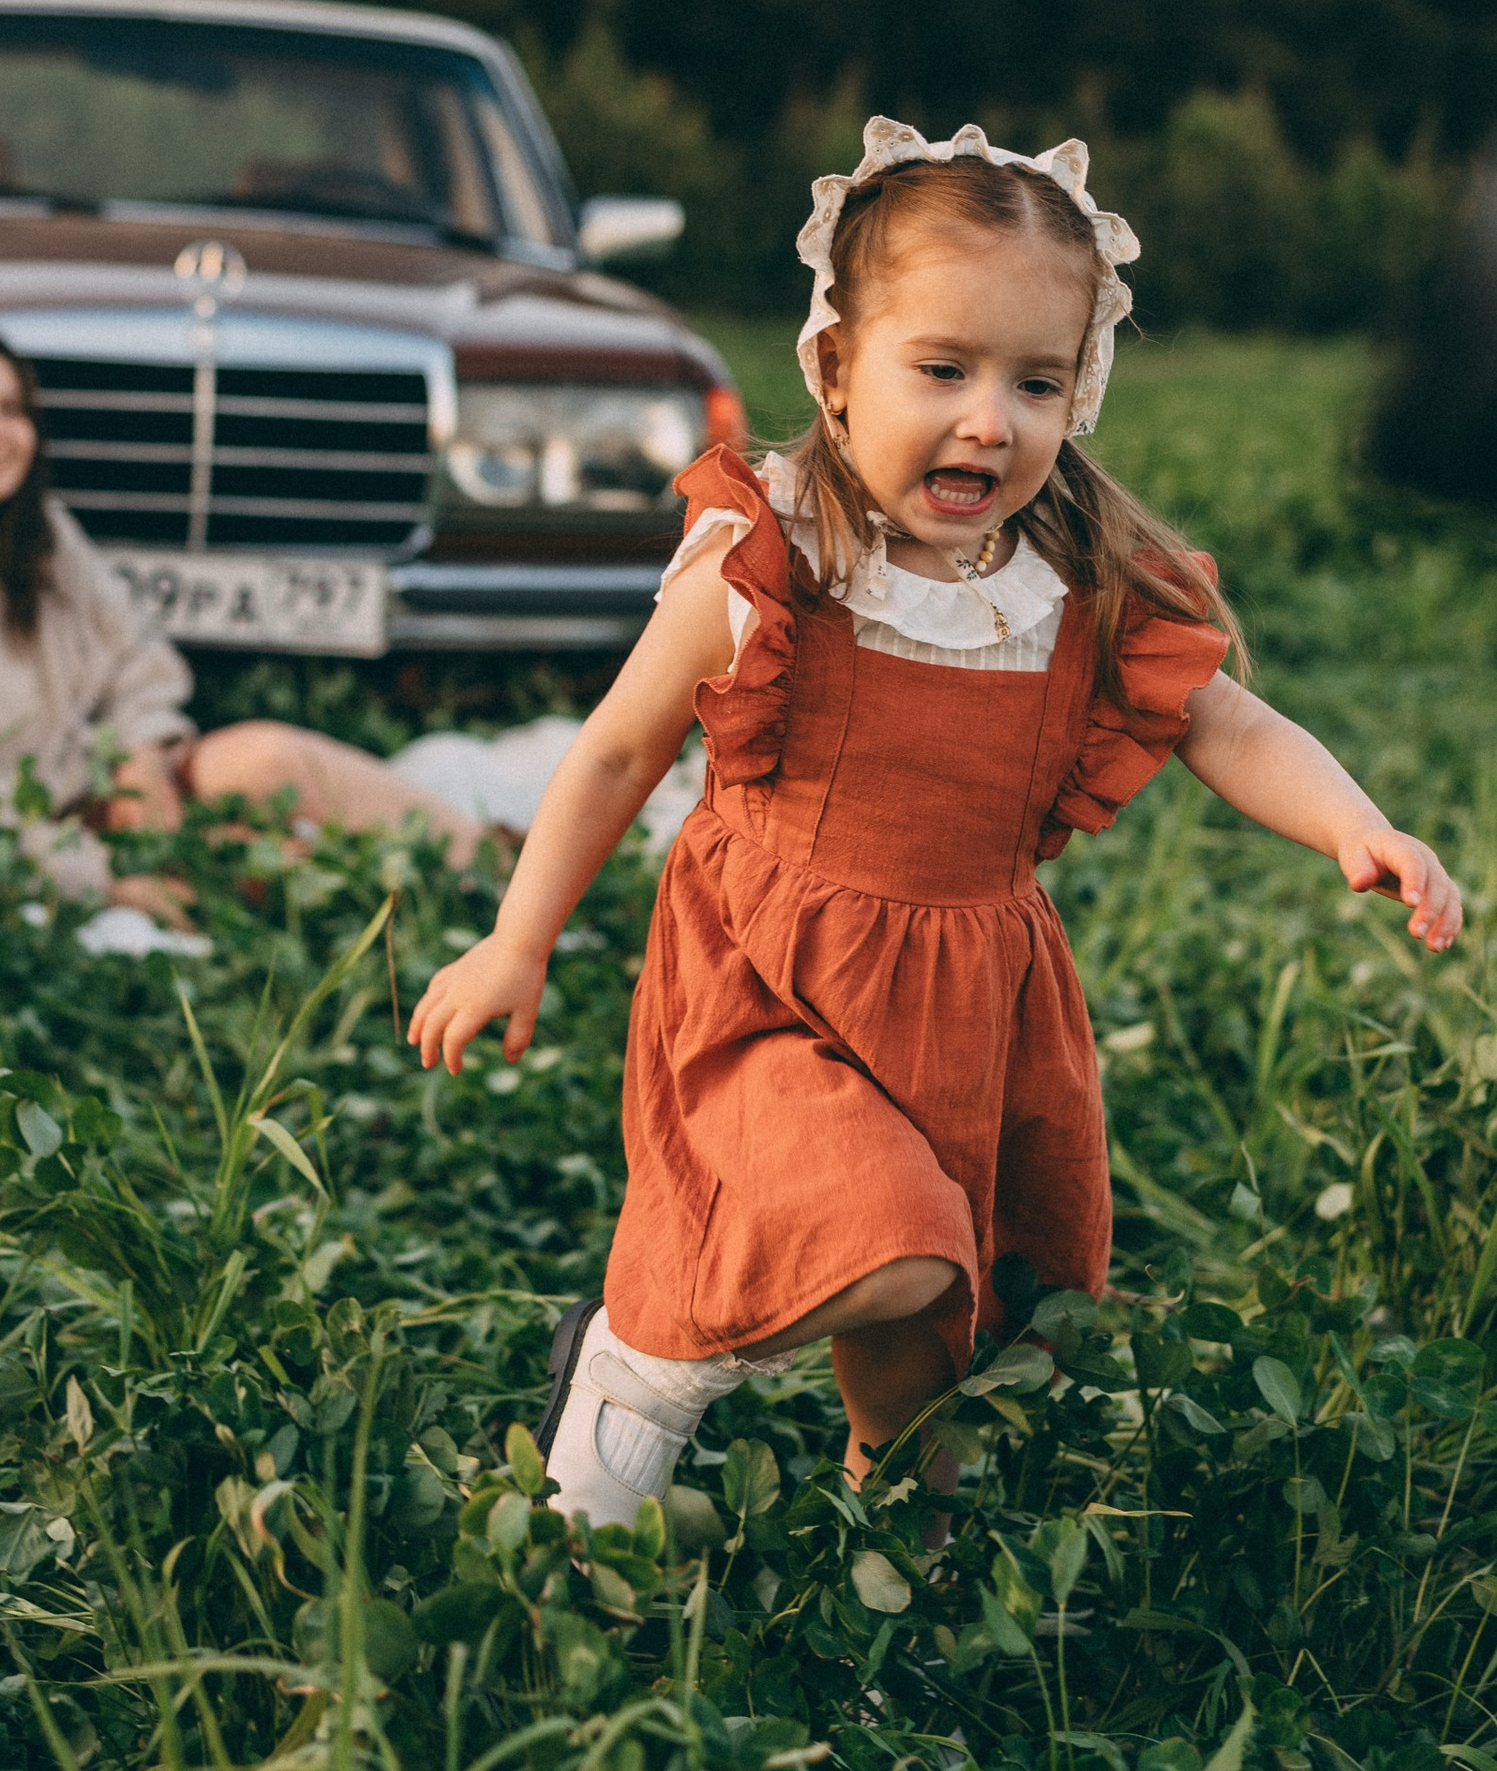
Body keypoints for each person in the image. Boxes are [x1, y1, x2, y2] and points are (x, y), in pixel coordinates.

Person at [409, 120, 1464, 1527]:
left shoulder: (1076, 579)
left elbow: (1225, 720)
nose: (992, 420)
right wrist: (514, 942)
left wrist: (1356, 824)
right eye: (944, 370)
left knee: (932, 1340)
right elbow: (614, 754)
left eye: (1038, 381)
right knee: (888, 1240)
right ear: (837, 368)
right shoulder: (769, 562)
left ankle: (893, 1557)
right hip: (768, 980)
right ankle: (638, 1367)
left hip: (971, 1003)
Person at [0, 325, 487, 900]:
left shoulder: (39, 534)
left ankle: (491, 859)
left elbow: (137, 652)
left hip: (125, 792)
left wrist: (139, 749)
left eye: (11, 408)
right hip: (43, 844)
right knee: (286, 869)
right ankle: (434, 896)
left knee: (265, 756)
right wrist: (107, 881)